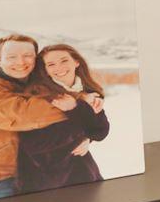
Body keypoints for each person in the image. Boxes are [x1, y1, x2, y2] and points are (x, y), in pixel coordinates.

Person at [0, 34, 71, 202]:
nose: (20, 62)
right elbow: (23, 115)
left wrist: (86, 137)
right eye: (12, 57)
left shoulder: (35, 84)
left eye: (27, 56)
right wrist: (75, 105)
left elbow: (75, 119)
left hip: (36, 174)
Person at [16, 43, 109, 192]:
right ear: (45, 70)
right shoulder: (39, 95)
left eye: (64, 61)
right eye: (51, 64)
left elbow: (100, 131)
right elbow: (33, 143)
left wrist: (87, 138)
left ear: (76, 62)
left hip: (83, 173)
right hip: (47, 179)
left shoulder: (86, 92)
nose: (58, 68)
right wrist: (78, 117)